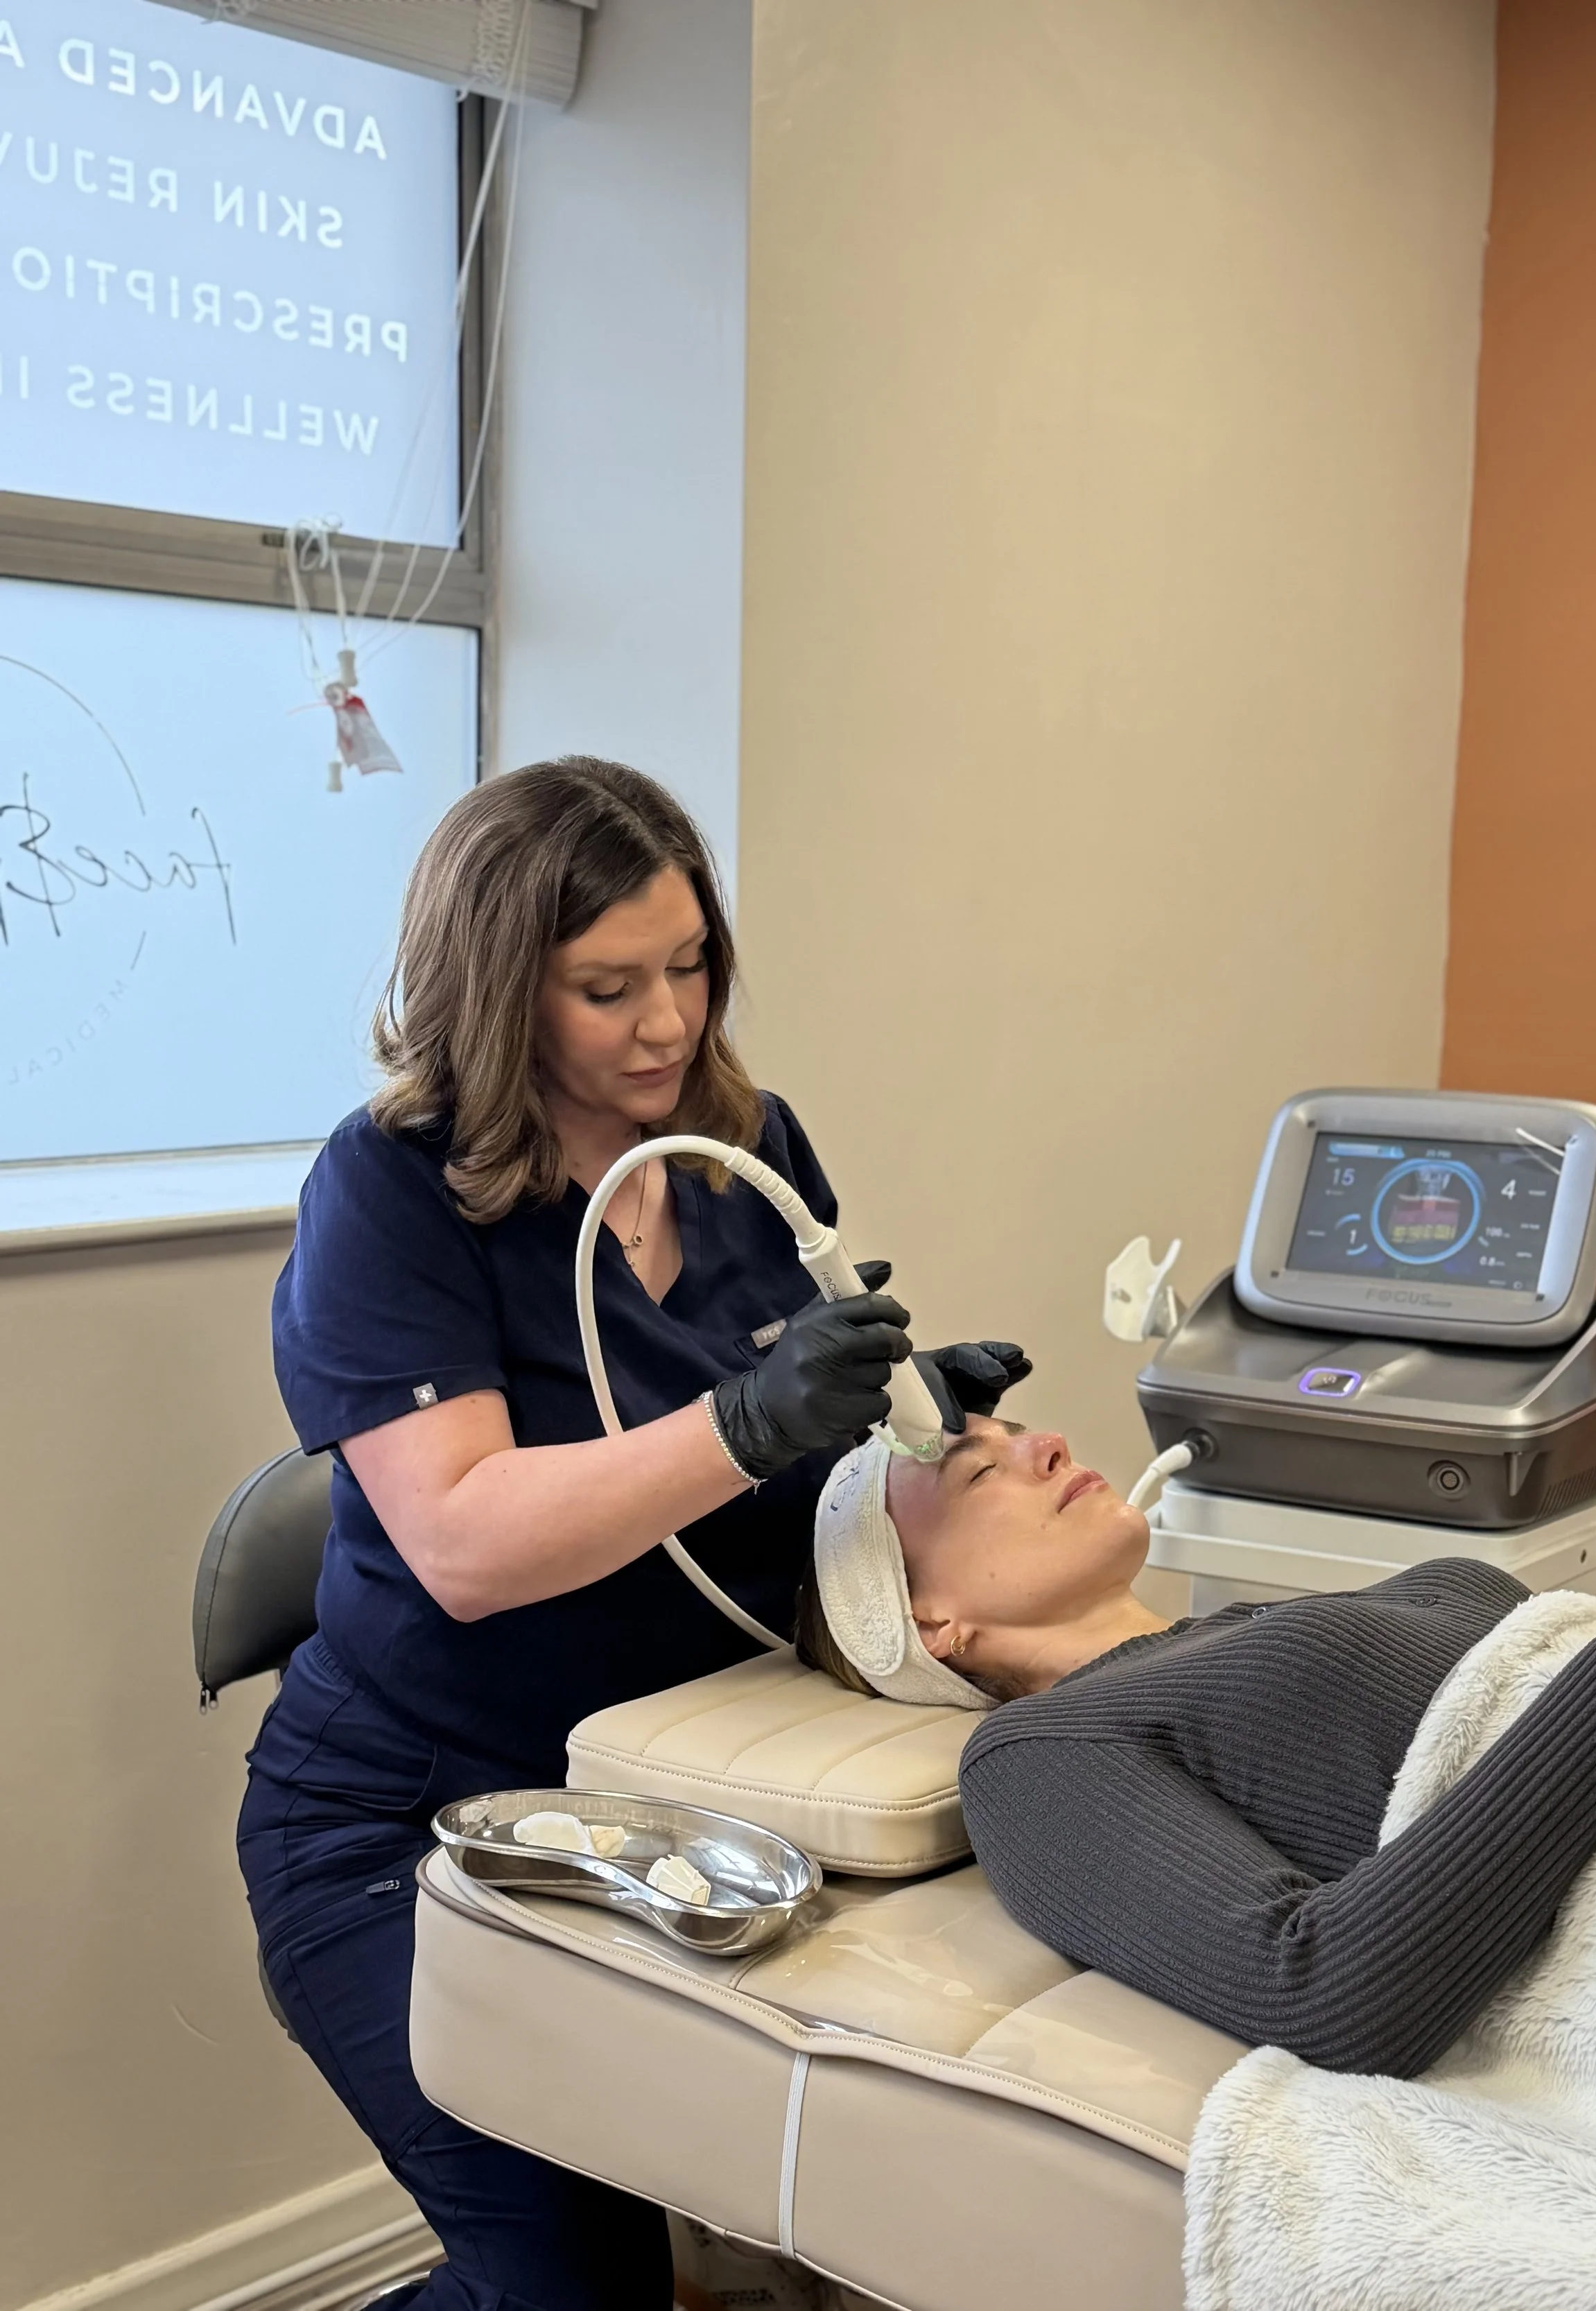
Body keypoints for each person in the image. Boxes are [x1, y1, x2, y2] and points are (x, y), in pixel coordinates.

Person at [239, 757, 1028, 2311]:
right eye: (607, 989)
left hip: (673, 1805)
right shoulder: (393, 1188)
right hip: (410, 1817)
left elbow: (787, 1480)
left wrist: (895, 1413)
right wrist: (744, 1421)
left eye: (688, 968)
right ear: (496, 992)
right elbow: (464, 1543)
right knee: (566, 2282)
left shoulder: (745, 1150)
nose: (667, 1023)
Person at [798, 1417, 1596, 2079]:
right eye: (977, 1473)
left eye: (1019, 1431)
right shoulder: (1035, 1754)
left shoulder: (1285, 1621)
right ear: (931, 1620)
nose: (1048, 1443)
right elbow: (1331, 1996)